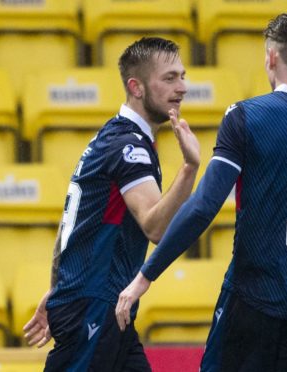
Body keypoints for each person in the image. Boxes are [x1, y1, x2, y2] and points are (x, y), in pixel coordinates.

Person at [115, 11, 287, 372]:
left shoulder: (247, 117)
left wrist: (145, 276)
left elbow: (205, 206)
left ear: (270, 58)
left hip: (256, 296)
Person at [22, 37, 200, 371]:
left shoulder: (112, 137)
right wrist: (189, 169)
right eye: (170, 78)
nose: (183, 87)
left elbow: (73, 226)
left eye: (183, 76)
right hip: (95, 306)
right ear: (136, 86)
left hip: (102, 305)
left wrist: (58, 288)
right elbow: (155, 227)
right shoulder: (127, 147)